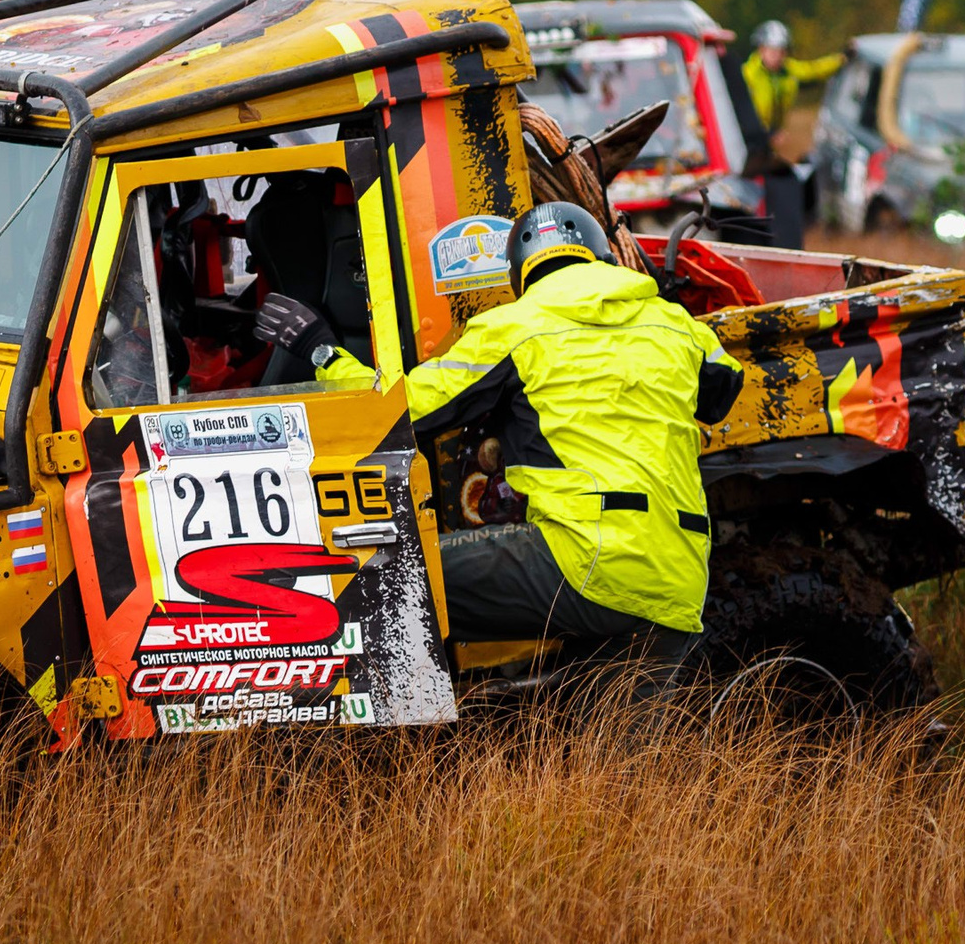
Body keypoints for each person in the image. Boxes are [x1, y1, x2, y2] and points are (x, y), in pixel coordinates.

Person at [252, 201, 743, 661]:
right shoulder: (676, 324)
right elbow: (723, 390)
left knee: (381, 581)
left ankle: (403, 743)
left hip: (584, 559)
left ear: (520, 274)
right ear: (602, 257)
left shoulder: (516, 327)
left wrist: (322, 352)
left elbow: (398, 412)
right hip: (678, 573)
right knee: (616, 746)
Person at [740, 20, 844, 139]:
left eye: (782, 51)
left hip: (771, 136)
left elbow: (814, 69)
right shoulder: (747, 73)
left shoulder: (788, 69)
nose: (778, 56)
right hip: (749, 135)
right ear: (761, 50)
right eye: (773, 51)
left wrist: (840, 60)